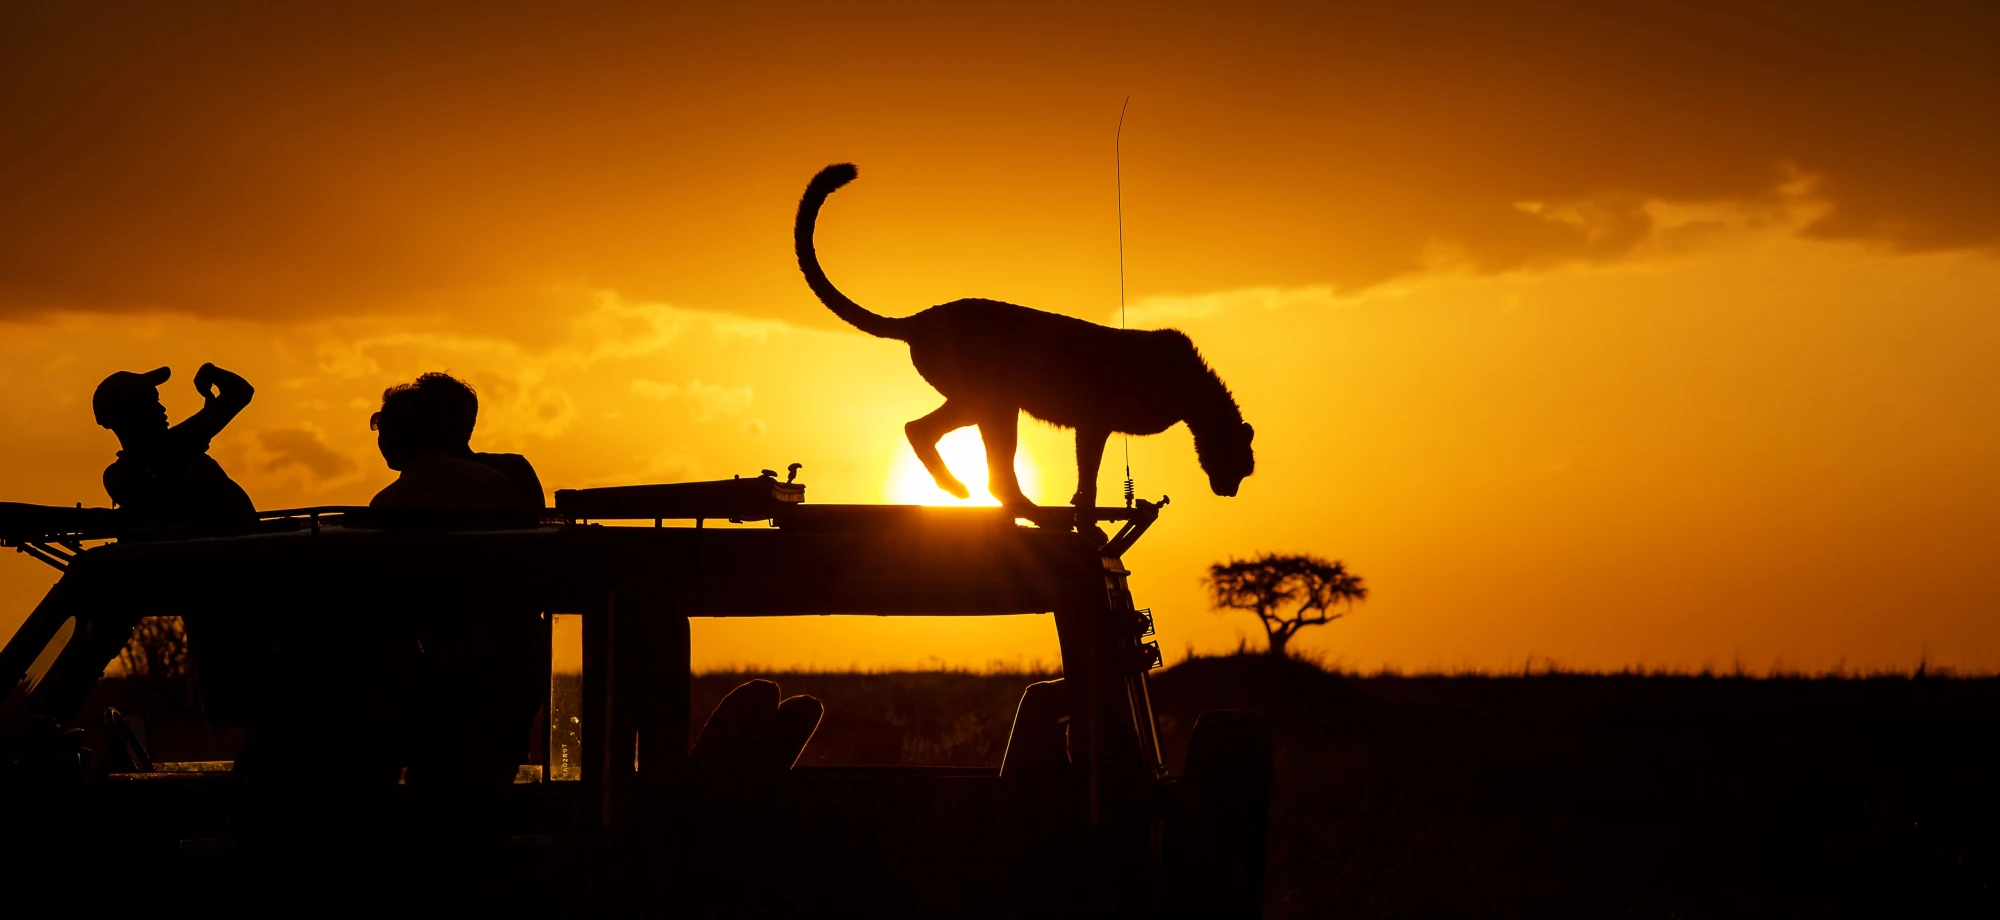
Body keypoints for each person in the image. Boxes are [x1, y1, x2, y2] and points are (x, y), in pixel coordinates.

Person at [95, 363, 256, 526]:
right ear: (130, 415)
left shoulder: (119, 475)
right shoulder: (173, 446)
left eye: (157, 400)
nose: (162, 408)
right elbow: (240, 392)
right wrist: (211, 372)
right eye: (149, 402)